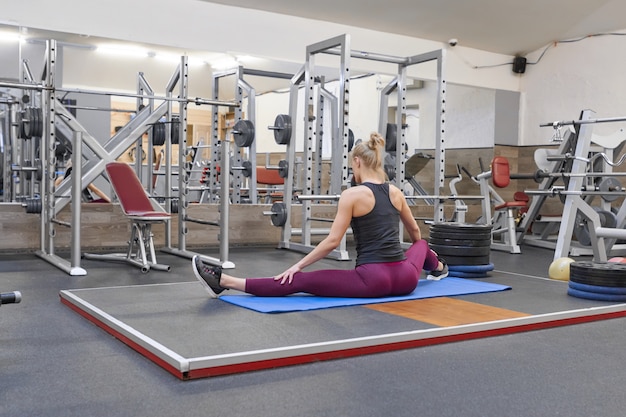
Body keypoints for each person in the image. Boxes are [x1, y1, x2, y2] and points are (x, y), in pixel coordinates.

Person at [192, 132, 448, 299]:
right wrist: (422, 260)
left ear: (358, 161)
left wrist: (298, 265)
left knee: (300, 281)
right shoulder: (396, 192)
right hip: (405, 280)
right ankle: (439, 268)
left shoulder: (353, 195)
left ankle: (224, 281)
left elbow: (332, 242)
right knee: (423, 245)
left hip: (373, 280)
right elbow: (415, 234)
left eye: (351, 165)